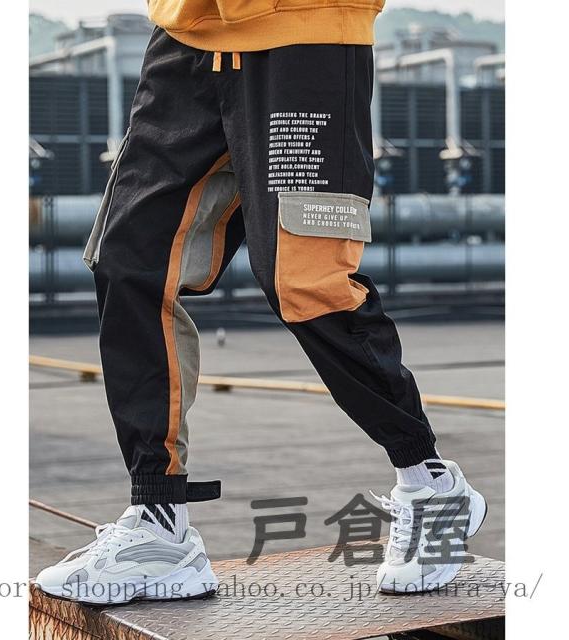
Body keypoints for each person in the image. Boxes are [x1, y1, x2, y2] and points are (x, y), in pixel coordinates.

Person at [36, 0, 486, 603]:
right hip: (186, 34)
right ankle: (159, 525)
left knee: (307, 282)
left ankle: (429, 481)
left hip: (305, 39)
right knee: (128, 262)